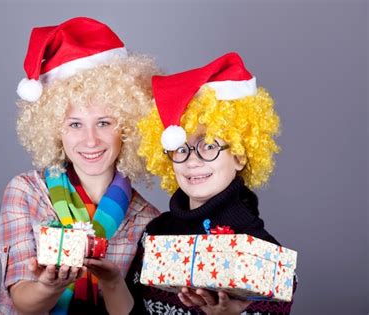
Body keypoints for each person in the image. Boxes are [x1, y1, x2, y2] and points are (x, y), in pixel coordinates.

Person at [0, 17, 160, 314]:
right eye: (74, 124)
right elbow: (22, 301)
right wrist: (49, 285)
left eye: (104, 123)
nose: (90, 140)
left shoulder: (146, 220)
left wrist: (112, 283)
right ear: (54, 129)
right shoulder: (27, 193)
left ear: (126, 128)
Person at [127, 52, 296, 314]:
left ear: (239, 154)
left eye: (208, 146)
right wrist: (111, 281)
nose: (192, 161)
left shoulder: (264, 255)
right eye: (181, 149)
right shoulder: (154, 233)